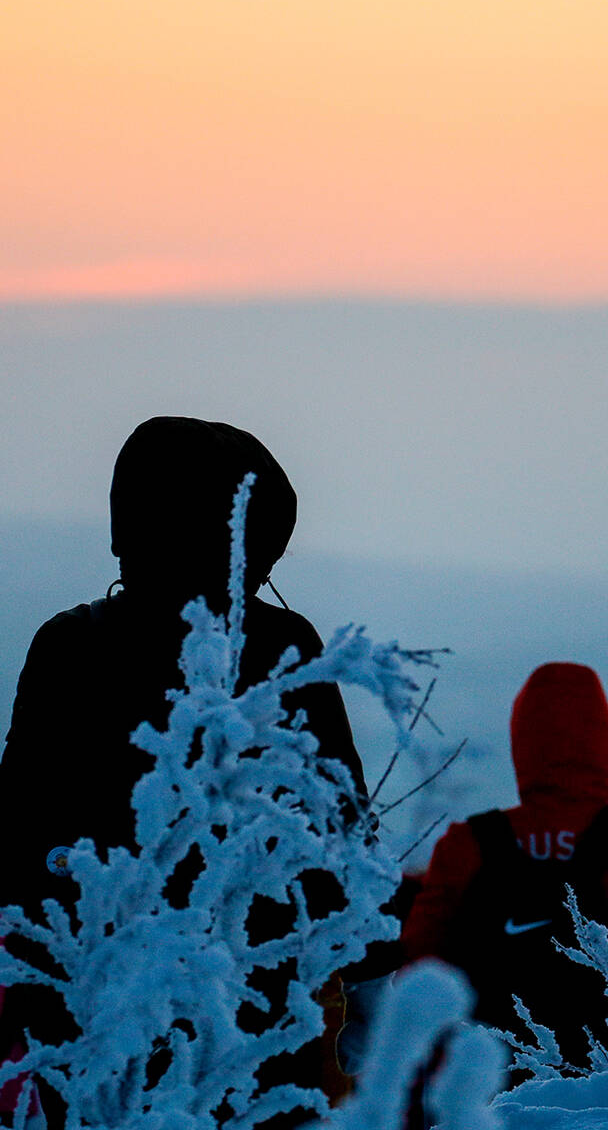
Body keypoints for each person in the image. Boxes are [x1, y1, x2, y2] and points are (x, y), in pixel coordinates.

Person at [0, 416, 367, 1127]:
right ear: (256, 533)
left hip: (92, 1004)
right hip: (260, 1001)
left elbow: (17, 837)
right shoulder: (285, 647)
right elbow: (340, 830)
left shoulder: (69, 646)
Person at [400, 662, 608, 1062]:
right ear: (603, 740)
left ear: (522, 741)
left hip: (492, 1087)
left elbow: (418, 973)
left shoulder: (469, 844)